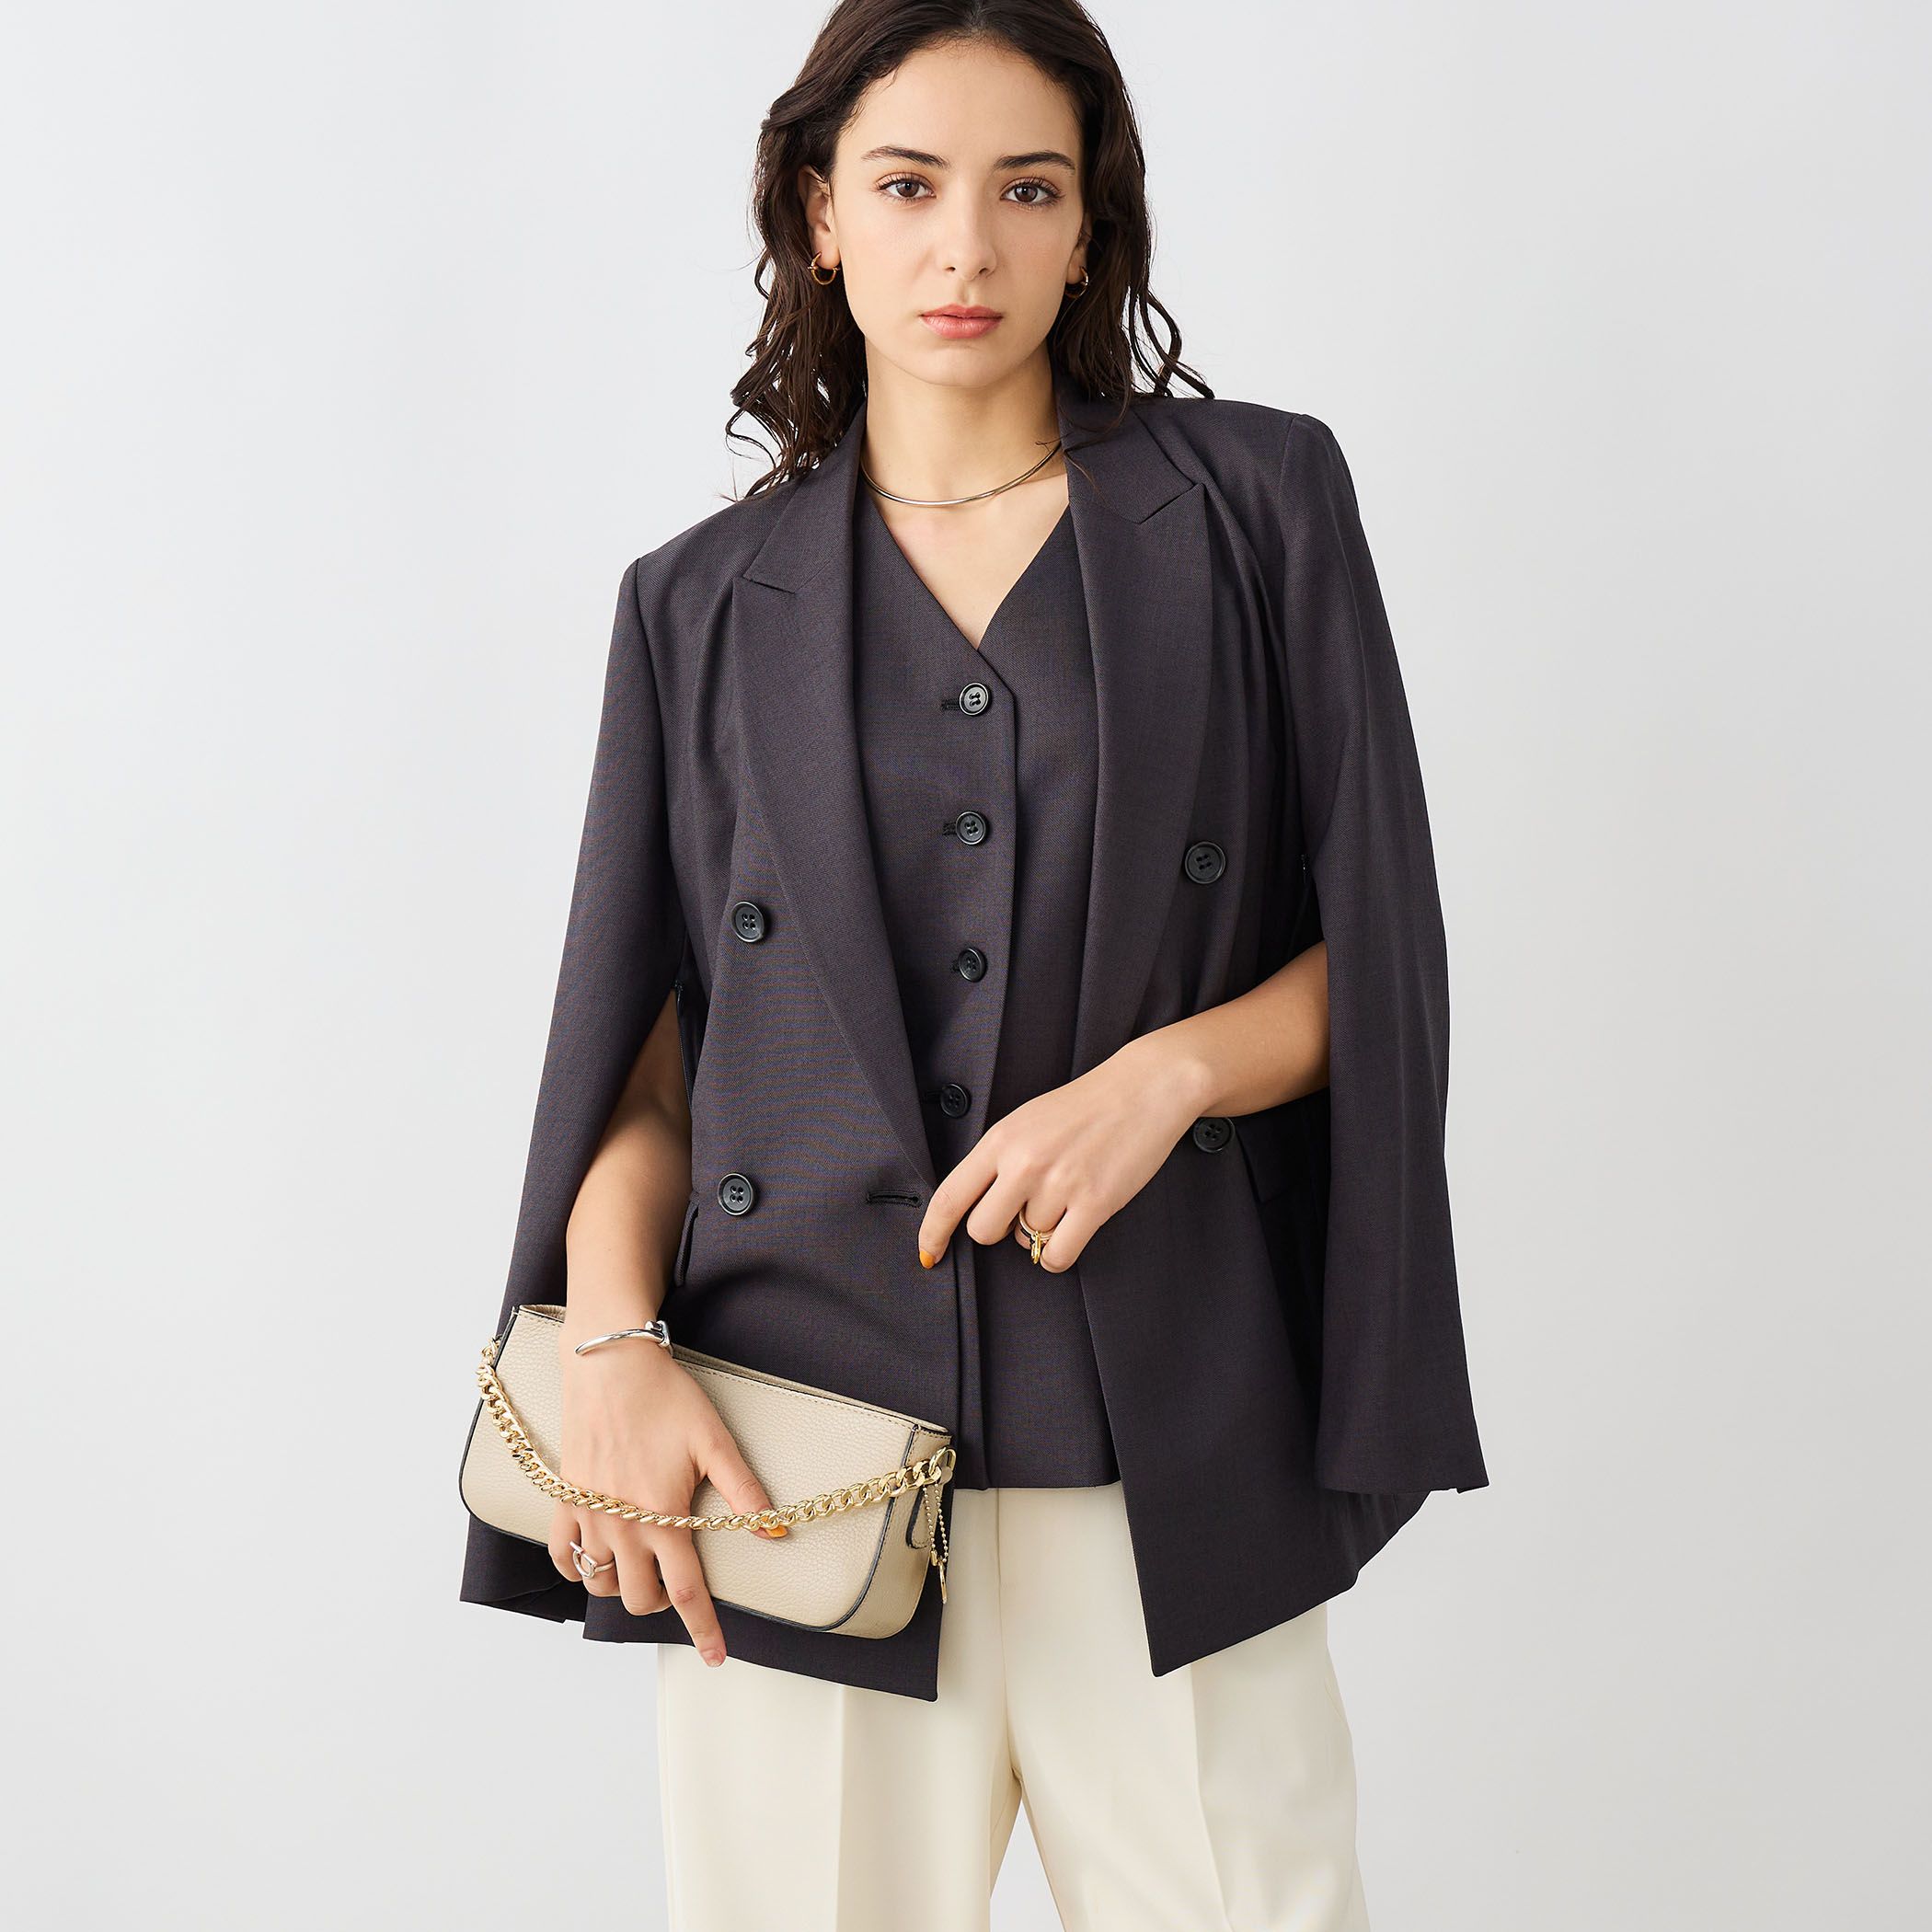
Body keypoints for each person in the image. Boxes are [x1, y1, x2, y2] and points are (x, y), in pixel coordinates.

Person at [458, 4, 1489, 1926]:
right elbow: (649, 1057)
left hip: (1167, 1435)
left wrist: (1169, 1073)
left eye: (1028, 191)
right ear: (818, 214)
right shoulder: (698, 606)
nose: (967, 248)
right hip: (800, 1460)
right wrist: (608, 1345)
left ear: (1090, 228)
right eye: (908, 186)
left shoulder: (1254, 509)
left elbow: (1385, 950)